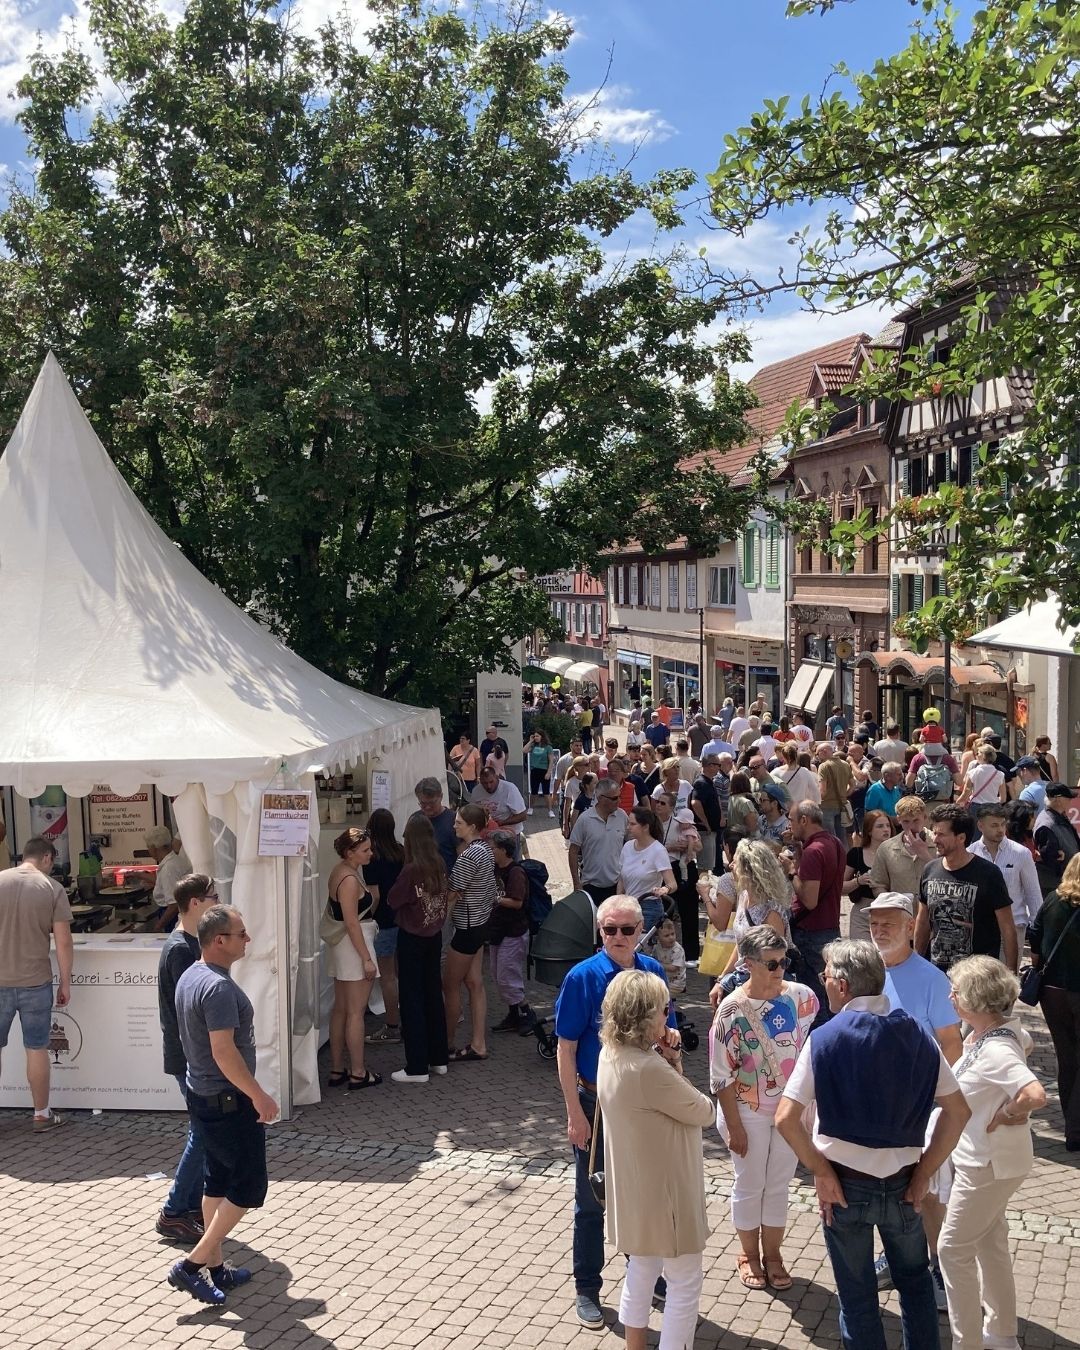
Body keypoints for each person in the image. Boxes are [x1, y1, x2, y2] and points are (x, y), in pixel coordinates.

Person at [775, 939, 970, 1350]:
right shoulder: (919, 1035)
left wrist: (821, 1171)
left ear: (843, 986)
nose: (823, 981)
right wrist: (925, 1174)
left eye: (826, 976)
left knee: (858, 1294)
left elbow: (786, 1119)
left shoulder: (824, 1038)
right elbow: (958, 1112)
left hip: (845, 1187)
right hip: (904, 1182)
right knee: (915, 1286)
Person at [555, 897, 679, 1329]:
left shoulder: (653, 973)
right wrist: (575, 1112)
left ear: (640, 929)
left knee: (642, 1197)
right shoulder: (582, 977)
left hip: (643, 1105)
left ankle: (643, 1276)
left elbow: (667, 1030)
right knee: (591, 1202)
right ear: (600, 932)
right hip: (596, 1104)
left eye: (627, 930)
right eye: (610, 930)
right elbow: (566, 1049)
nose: (619, 938)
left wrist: (671, 1044)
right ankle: (587, 1288)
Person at [167, 904, 278, 1306]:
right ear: (219, 940)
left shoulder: (191, 977)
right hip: (227, 1100)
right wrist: (258, 1095)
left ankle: (216, 1269)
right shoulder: (217, 988)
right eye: (241, 934)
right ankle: (191, 1267)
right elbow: (223, 1051)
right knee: (248, 1186)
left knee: (215, 1180)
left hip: (203, 1095)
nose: (247, 939)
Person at [597, 968, 713, 1349]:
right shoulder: (648, 1068)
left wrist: (665, 1056)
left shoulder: (610, 1054)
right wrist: (673, 1060)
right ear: (646, 1014)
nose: (669, 1014)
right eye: (666, 1007)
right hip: (668, 1196)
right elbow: (702, 1110)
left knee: (641, 1271)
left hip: (634, 1189)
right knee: (684, 1282)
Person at [937, 957, 1047, 1350]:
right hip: (994, 1162)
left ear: (975, 1000)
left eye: (956, 991)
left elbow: (1035, 1094)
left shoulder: (996, 1049)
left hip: (987, 1165)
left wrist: (1009, 1111)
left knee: (952, 1250)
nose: (950, 995)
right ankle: (1001, 1336)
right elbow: (1027, 1044)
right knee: (990, 1242)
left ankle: (967, 1344)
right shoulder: (997, 1032)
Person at [711, 925, 818, 1291]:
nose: (780, 971)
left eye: (783, 961)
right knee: (749, 1183)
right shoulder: (730, 1011)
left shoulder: (803, 999)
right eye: (771, 964)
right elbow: (720, 1075)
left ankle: (773, 1256)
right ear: (748, 964)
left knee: (778, 1185)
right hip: (747, 1111)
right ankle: (748, 1256)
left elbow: (807, 1051)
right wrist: (735, 1127)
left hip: (788, 1111)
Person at [867, 892, 963, 1301]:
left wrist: (936, 1097)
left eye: (889, 923)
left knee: (929, 1192)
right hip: (874, 1105)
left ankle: (938, 1268)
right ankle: (895, 1255)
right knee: (882, 1188)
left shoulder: (933, 980)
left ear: (911, 927)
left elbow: (952, 1045)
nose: (879, 930)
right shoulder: (864, 973)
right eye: (874, 923)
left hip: (921, 1107)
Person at [156, 873, 219, 1243]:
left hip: (192, 1055)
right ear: (195, 903)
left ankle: (190, 1205)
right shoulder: (181, 949)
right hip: (190, 1056)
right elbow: (189, 1011)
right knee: (204, 1131)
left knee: (205, 1130)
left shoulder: (189, 943)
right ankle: (174, 1210)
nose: (217, 901)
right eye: (213, 896)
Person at [0, 835, 73, 1131]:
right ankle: (42, 1114)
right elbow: (64, 942)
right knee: (37, 1049)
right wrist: (65, 982)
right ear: (46, 858)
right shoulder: (52, 888)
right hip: (35, 981)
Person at [386, 815, 451, 1084]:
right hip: (433, 935)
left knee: (412, 999)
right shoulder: (438, 863)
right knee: (433, 995)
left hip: (413, 937)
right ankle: (438, 1058)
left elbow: (393, 899)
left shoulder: (411, 869)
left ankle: (417, 1066)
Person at [916, 805, 1017, 973]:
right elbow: (923, 920)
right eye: (934, 833)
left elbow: (1007, 928)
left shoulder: (988, 874)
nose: (934, 839)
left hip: (978, 976)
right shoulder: (930, 870)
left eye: (941, 834)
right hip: (937, 972)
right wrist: (917, 963)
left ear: (961, 838)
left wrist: (1011, 974)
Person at [1028, 852, 1080, 1150]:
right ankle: (1075, 1128)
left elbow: (1035, 938)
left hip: (1052, 991)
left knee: (1067, 1056)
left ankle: (1072, 1126)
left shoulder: (1052, 901)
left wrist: (1040, 962)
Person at [325, 826, 381, 1089]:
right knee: (355, 1012)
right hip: (353, 946)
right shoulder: (348, 878)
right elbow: (351, 922)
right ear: (350, 853)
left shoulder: (341, 872)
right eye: (365, 850)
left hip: (345, 946)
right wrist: (366, 958)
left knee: (341, 1010)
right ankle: (358, 1071)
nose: (370, 853)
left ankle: (338, 1069)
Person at [444, 802, 497, 1063]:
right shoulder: (484, 850)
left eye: (459, 823)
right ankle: (478, 1043)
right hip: (480, 922)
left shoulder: (469, 855)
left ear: (472, 827)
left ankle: (447, 1043)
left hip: (466, 927)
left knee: (450, 985)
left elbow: (452, 890)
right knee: (475, 983)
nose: (454, 825)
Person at [787, 801, 846, 1023]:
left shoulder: (814, 851)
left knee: (814, 1000)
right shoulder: (835, 843)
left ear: (804, 820)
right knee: (830, 993)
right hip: (830, 927)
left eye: (792, 820)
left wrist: (791, 872)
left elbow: (809, 900)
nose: (790, 826)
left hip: (811, 932)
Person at [971, 803, 1042, 956]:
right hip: (981, 929)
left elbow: (1033, 894)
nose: (1000, 830)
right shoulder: (970, 853)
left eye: (1003, 824)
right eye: (994, 825)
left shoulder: (1021, 853)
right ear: (980, 825)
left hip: (1014, 926)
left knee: (1009, 978)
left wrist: (1038, 933)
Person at [362, 808, 404, 1046]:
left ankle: (391, 1025)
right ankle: (405, 1019)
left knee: (387, 977)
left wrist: (366, 915)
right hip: (403, 919)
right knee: (401, 973)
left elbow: (375, 894)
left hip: (384, 921)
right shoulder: (401, 851)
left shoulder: (372, 857)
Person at [488, 830, 536, 1035]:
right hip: (498, 930)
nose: (490, 851)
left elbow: (517, 902)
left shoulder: (516, 873)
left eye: (493, 848)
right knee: (497, 974)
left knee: (508, 975)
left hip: (513, 932)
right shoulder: (494, 869)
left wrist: (495, 899)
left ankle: (527, 1013)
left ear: (503, 850)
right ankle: (513, 1014)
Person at [617, 806, 677, 935]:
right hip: (629, 906)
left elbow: (672, 884)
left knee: (642, 946)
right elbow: (621, 879)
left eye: (633, 824)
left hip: (649, 906)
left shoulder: (658, 850)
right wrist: (618, 902)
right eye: (629, 823)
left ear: (645, 827)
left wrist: (664, 890)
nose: (628, 827)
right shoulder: (627, 847)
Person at [568, 781, 628, 905]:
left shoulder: (622, 816)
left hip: (617, 886)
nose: (619, 801)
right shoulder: (585, 819)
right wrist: (576, 883)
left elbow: (631, 845)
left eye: (619, 797)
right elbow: (573, 851)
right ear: (601, 798)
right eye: (614, 798)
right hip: (591, 885)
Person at [870, 795, 937, 899]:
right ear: (899, 820)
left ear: (924, 817)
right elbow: (878, 885)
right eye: (906, 821)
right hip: (900, 912)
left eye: (916, 820)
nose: (911, 827)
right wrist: (891, 902)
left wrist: (925, 855)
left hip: (932, 912)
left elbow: (949, 878)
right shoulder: (886, 848)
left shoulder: (939, 843)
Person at [844, 809, 892, 940]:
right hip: (862, 912)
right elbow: (840, 887)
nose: (886, 829)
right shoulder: (856, 853)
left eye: (888, 826)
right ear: (869, 831)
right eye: (880, 826)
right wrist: (858, 881)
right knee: (862, 955)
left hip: (888, 912)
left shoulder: (896, 854)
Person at [1033, 782, 1080, 896]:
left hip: (1066, 882)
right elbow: (1051, 859)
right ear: (1058, 800)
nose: (1070, 801)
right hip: (1057, 885)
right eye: (1068, 798)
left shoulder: (1058, 816)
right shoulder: (1047, 824)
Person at [143, 824, 192, 931]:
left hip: (172, 917)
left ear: (154, 848)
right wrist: (139, 875)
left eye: (148, 847)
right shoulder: (175, 861)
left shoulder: (168, 868)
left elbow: (173, 904)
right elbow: (166, 884)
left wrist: (158, 926)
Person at [411, 777, 458, 878]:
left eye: (432, 803)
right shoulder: (415, 819)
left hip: (448, 882)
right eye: (423, 803)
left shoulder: (455, 820)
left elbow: (463, 859)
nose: (427, 807)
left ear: (441, 797)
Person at [471, 765, 528, 837]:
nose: (489, 786)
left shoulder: (509, 789)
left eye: (491, 782)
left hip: (509, 833)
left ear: (497, 778)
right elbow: (473, 813)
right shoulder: (476, 791)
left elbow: (523, 815)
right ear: (480, 781)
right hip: (487, 833)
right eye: (485, 783)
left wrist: (501, 823)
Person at [690, 754, 723, 872]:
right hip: (705, 831)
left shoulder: (709, 782)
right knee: (704, 867)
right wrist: (706, 824)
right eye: (718, 765)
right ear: (709, 766)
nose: (719, 767)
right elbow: (696, 803)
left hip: (710, 830)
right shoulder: (701, 783)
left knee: (708, 866)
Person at [818, 747, 854, 842]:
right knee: (842, 837)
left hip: (827, 806)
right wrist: (845, 795)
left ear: (823, 751)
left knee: (829, 838)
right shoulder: (846, 764)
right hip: (841, 805)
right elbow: (853, 785)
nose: (818, 757)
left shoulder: (823, 766)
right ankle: (844, 856)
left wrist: (816, 803)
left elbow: (823, 791)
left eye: (818, 753)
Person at [773, 741, 819, 812]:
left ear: (784, 757)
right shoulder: (805, 772)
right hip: (800, 809)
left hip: (783, 810)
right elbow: (815, 791)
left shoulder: (776, 772)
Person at [957, 742, 1005, 810]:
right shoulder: (1000, 775)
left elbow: (966, 793)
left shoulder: (972, 773)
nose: (976, 755)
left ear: (983, 756)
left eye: (978, 753)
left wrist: (957, 802)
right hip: (994, 807)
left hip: (976, 806)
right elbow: (1003, 798)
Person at [651, 916, 687, 994]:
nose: (671, 937)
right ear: (658, 937)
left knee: (656, 992)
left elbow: (674, 968)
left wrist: (657, 964)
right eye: (666, 936)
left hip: (676, 982)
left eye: (672, 934)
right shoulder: (657, 947)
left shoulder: (677, 950)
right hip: (663, 979)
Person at [524, 730, 554, 815]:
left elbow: (551, 760)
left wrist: (548, 772)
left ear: (542, 737)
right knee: (534, 792)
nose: (536, 738)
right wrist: (530, 741)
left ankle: (550, 810)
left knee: (546, 792)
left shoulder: (548, 747)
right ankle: (531, 808)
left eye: (537, 736)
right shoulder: (533, 746)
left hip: (544, 770)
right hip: (535, 770)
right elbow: (524, 750)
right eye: (535, 736)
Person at [757, 783, 792, 849]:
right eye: (759, 800)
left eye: (763, 800)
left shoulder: (785, 826)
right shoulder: (760, 820)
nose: (759, 803)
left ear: (775, 803)